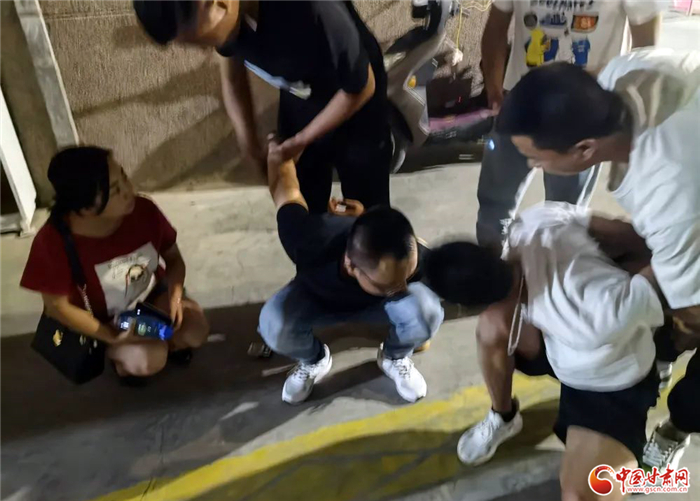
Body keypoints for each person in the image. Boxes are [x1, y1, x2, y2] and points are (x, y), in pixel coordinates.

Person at [496, 49, 700, 469]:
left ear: (584, 149)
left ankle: (677, 425)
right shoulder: (626, 72)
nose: (531, 165)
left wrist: (657, 344)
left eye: (536, 158)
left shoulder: (669, 196)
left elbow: (693, 313)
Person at [425, 203, 664, 501]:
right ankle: (503, 416)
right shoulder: (535, 222)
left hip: (607, 383)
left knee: (581, 494)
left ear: (465, 308)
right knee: (492, 328)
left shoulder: (601, 313)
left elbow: (669, 276)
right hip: (568, 345)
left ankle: (631, 458)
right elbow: (623, 231)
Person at [133, 0, 391, 214]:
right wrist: (249, 145)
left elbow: (362, 86)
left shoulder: (312, 9)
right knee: (303, 203)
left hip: (357, 108)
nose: (205, 52)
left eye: (203, 43)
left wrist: (301, 141)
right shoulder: (222, 18)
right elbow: (233, 80)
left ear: (217, 3)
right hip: (301, 100)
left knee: (369, 215)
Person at [258, 135, 443, 405]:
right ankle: (314, 359)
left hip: (376, 306)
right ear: (350, 264)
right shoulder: (310, 240)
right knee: (274, 323)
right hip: (316, 300)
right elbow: (287, 193)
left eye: (404, 279)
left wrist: (418, 329)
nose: (400, 291)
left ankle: (394, 356)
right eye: (387, 285)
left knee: (428, 312)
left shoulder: (407, 257)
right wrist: (280, 156)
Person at [477, 0, 662, 248]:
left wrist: (621, 104)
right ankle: (491, 266)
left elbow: (645, 50)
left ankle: (557, 265)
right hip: (520, 105)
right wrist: (494, 88)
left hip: (582, 116)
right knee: (494, 202)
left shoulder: (663, 165)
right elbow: (496, 27)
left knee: (564, 213)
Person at [21, 147, 209, 384]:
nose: (129, 191)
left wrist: (175, 295)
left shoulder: (144, 211)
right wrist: (110, 336)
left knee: (194, 331)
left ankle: (161, 344)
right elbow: (57, 307)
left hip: (151, 298)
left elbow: (173, 257)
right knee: (149, 359)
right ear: (85, 207)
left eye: (125, 178)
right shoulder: (53, 242)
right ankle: (124, 362)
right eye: (114, 190)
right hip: (106, 320)